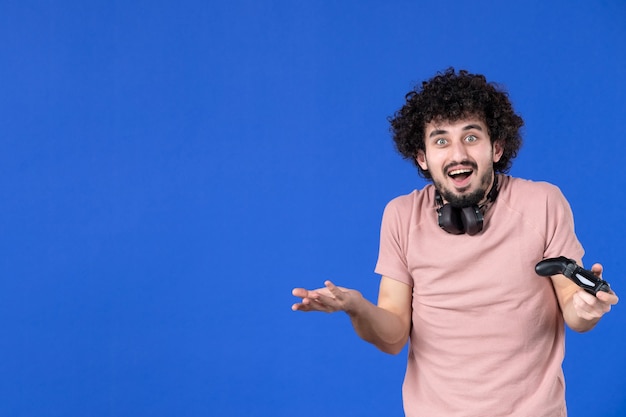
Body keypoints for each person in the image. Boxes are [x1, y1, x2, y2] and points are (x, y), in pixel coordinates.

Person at [291, 68, 619, 417]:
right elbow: (393, 334)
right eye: (441, 140)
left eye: (471, 137)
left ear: (497, 147)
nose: (457, 154)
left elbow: (574, 306)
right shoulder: (402, 216)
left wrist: (587, 308)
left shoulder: (543, 203)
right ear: (422, 157)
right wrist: (355, 306)